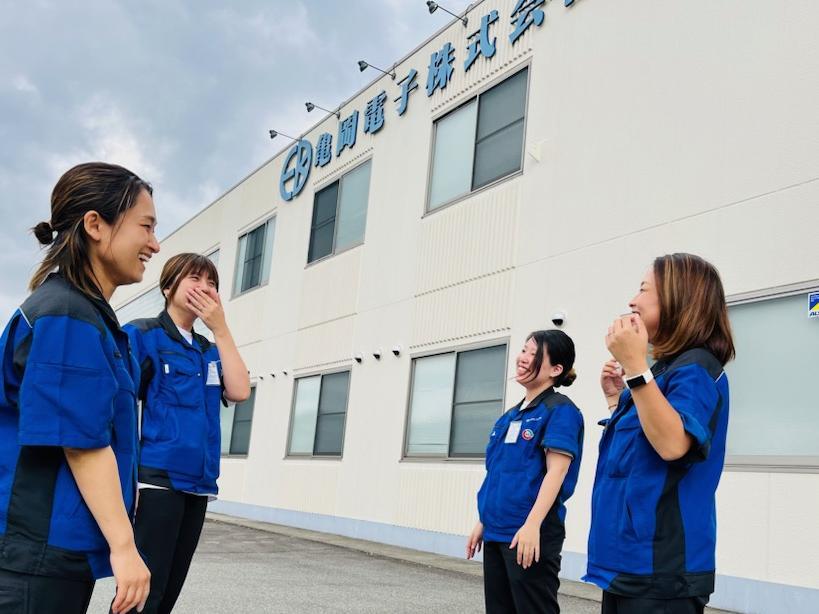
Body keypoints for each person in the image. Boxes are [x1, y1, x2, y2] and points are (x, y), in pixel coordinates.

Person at [0, 162, 159, 613]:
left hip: (54, 550)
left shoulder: (87, 316)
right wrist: (125, 548)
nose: (154, 244)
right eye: (146, 226)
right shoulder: (67, 315)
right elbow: (82, 444)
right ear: (95, 224)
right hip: (37, 552)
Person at [584, 253, 735, 614]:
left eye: (643, 289)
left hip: (662, 568)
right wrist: (616, 400)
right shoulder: (662, 373)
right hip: (629, 562)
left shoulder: (696, 367)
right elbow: (640, 449)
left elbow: (672, 444)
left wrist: (637, 368)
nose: (632, 301)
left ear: (678, 297)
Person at [123, 252, 250, 614]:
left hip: (199, 484)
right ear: (168, 287)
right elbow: (119, 408)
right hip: (157, 482)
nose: (204, 288)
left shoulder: (208, 350)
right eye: (195, 278)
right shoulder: (142, 335)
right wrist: (126, 482)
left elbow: (240, 390)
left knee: (167, 594)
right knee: (143, 594)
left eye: (212, 283)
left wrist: (221, 329)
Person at [467, 329, 584, 614]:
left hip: (530, 532)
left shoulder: (560, 411)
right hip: (496, 530)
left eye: (534, 354)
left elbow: (556, 472)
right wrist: (483, 521)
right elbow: (499, 473)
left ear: (556, 369)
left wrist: (532, 526)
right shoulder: (510, 417)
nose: (523, 358)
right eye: (524, 350)